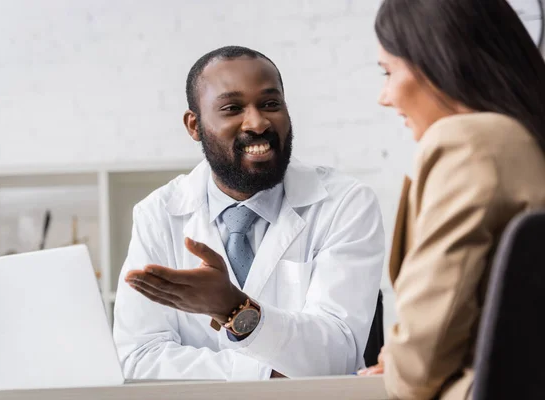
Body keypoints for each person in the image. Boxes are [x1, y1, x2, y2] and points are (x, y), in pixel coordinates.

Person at [112, 46, 385, 381]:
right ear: (194, 125)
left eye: (271, 104)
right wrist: (265, 372)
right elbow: (138, 360)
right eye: (232, 108)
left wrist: (233, 308)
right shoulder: (157, 215)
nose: (257, 122)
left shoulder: (345, 203)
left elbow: (337, 356)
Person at [358, 0, 545, 399]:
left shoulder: (469, 141)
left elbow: (420, 366)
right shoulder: (528, 140)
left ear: (438, 60)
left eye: (388, 72)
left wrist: (398, 359)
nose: (385, 97)